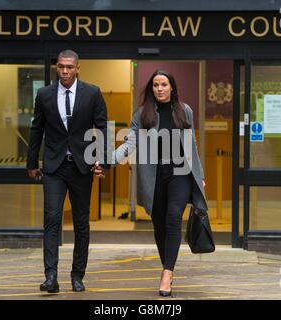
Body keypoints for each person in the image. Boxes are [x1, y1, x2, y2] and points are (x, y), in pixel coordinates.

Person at [93, 70, 207, 297]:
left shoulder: (184, 111)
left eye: (164, 84)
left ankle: (167, 273)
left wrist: (199, 175)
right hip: (153, 176)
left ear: (172, 87)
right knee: (159, 225)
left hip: (180, 173)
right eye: (156, 85)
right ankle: (169, 267)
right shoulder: (141, 115)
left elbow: (191, 144)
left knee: (174, 217)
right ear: (151, 89)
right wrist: (108, 161)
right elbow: (129, 144)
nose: (160, 89)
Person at [27, 49, 109, 293]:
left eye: (69, 67)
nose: (64, 71)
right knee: (51, 220)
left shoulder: (92, 93)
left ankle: (77, 275)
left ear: (77, 68)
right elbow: (36, 129)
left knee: (81, 223)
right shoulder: (44, 94)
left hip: (81, 167)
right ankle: (50, 276)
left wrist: (102, 161)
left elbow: (103, 127)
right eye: (61, 66)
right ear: (57, 67)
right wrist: (32, 163)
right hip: (54, 167)